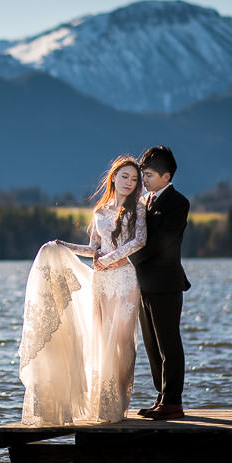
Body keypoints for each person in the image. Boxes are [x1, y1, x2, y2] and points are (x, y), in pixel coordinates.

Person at [18, 156, 146, 425]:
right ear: (113, 177)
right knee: (103, 343)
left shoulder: (139, 208)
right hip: (102, 283)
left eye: (134, 179)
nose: (130, 183)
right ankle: (105, 406)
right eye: (125, 177)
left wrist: (111, 260)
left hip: (124, 279)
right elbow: (94, 250)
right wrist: (65, 246)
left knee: (123, 343)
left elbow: (139, 240)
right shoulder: (99, 212)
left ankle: (120, 404)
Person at [129, 146, 190, 421]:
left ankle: (173, 401)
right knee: (152, 345)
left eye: (150, 174)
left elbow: (161, 241)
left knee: (168, 344)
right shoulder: (145, 202)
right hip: (143, 284)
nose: (145, 179)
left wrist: (125, 257)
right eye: (143, 174)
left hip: (166, 284)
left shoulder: (178, 203)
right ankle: (161, 398)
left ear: (167, 176)